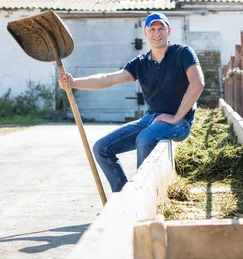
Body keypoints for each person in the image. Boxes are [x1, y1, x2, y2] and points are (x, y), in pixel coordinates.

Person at [58, 12, 204, 192]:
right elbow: (107, 79)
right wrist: (73, 83)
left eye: (161, 29)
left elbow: (198, 83)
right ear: (145, 33)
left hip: (180, 122)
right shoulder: (140, 63)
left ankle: (142, 194)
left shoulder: (183, 53)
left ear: (169, 31)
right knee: (102, 148)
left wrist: (175, 118)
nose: (157, 33)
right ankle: (122, 197)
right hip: (152, 118)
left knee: (145, 137)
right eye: (152, 29)